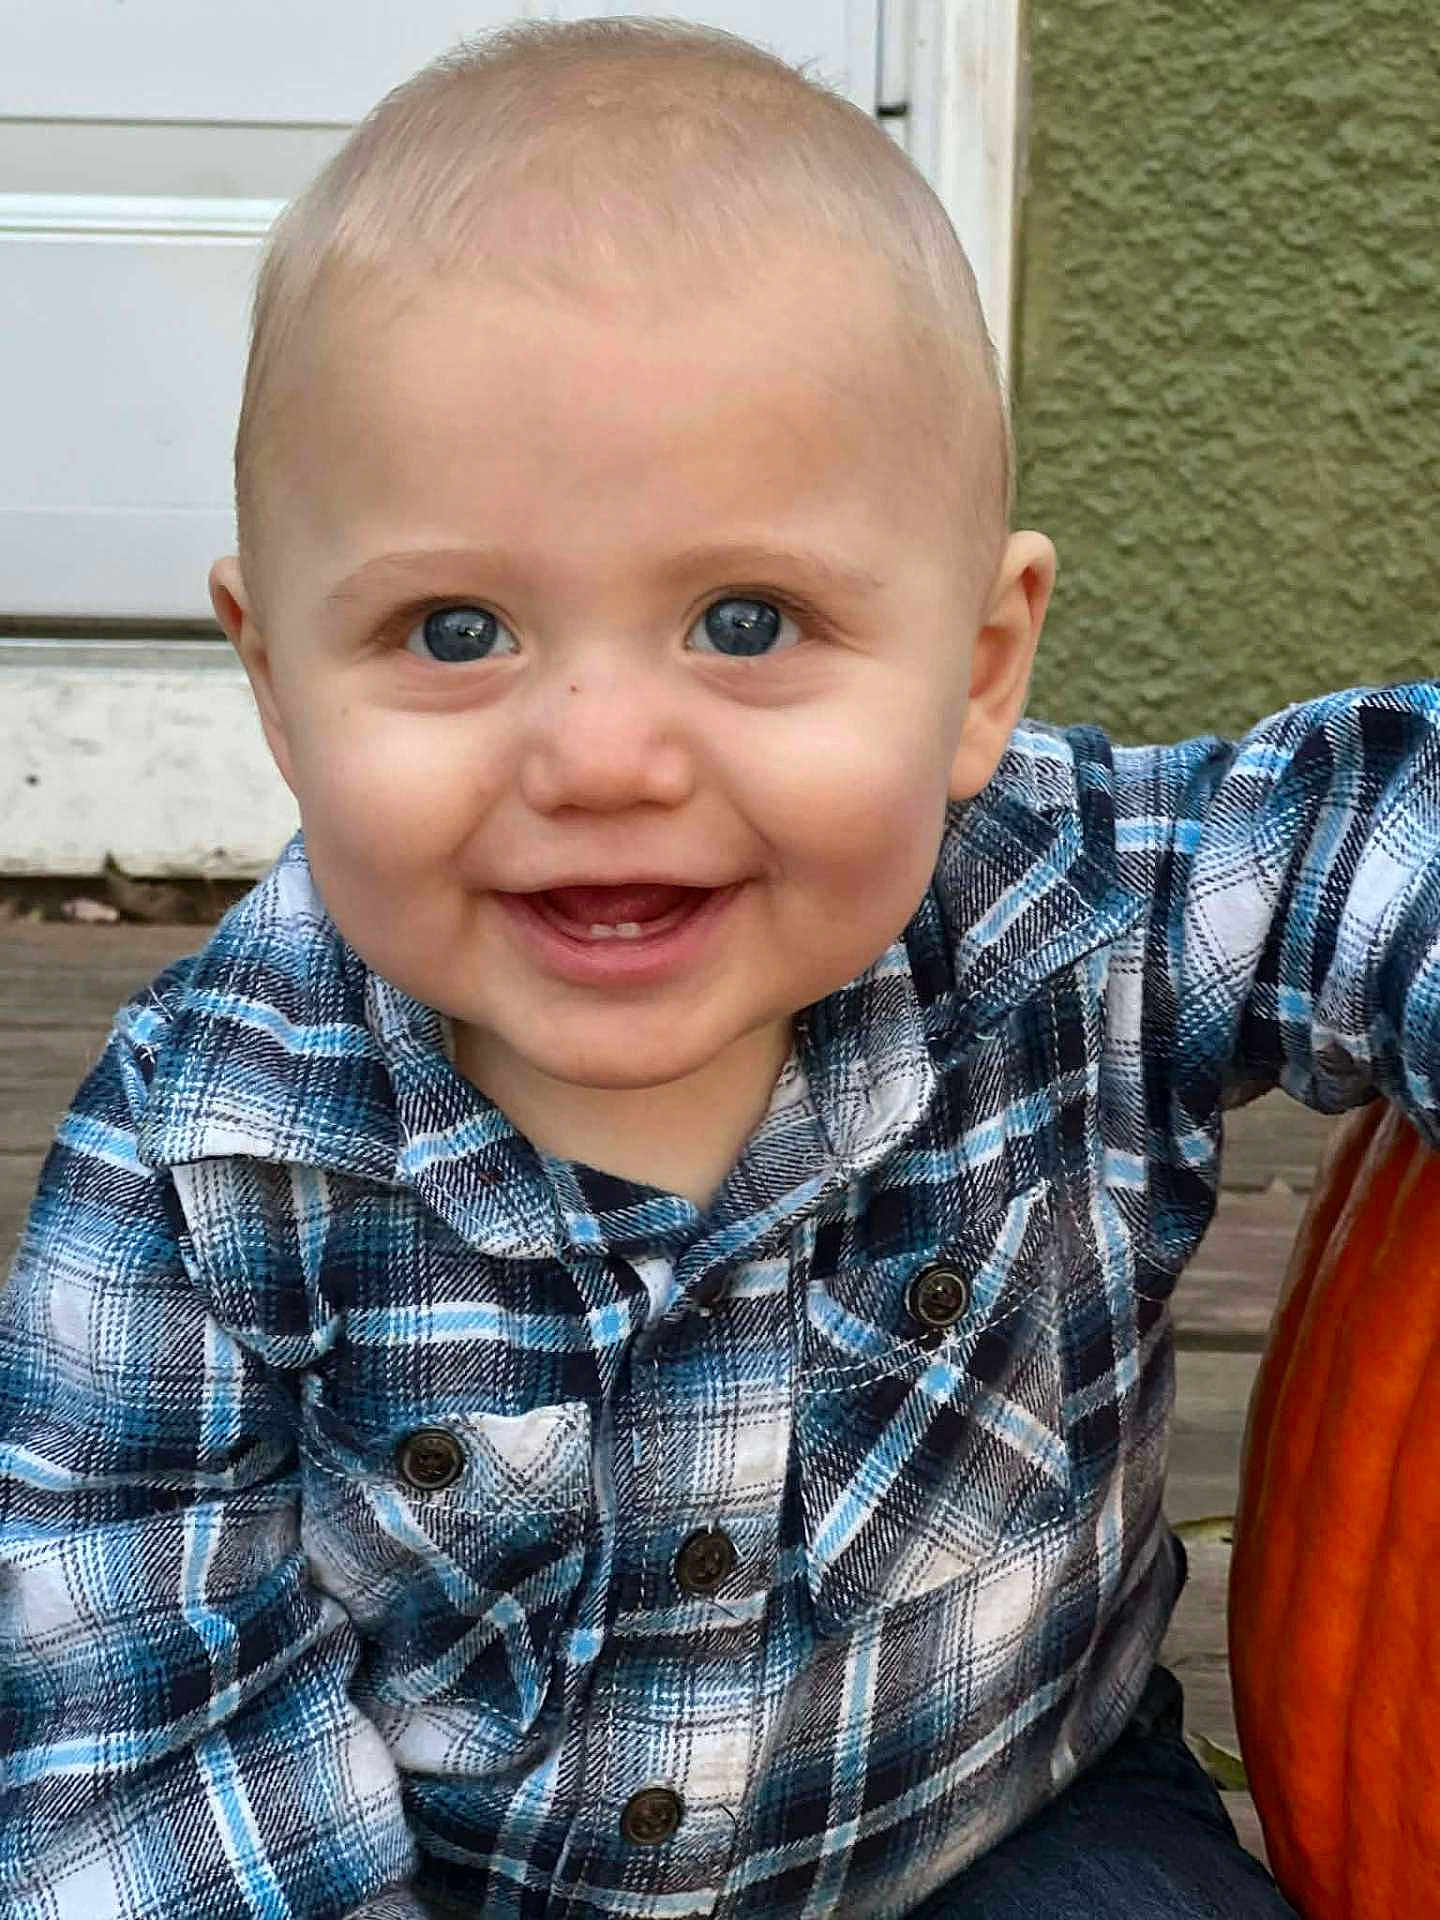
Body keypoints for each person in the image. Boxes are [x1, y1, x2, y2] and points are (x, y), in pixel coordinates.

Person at [1, 18, 1435, 1920]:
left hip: (1011, 1827)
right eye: (453, 629)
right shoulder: (204, 1168)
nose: (603, 756)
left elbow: (1373, 836)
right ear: (275, 685)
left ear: (981, 668)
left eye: (743, 621)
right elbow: (146, 1759)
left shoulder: (1068, 910)